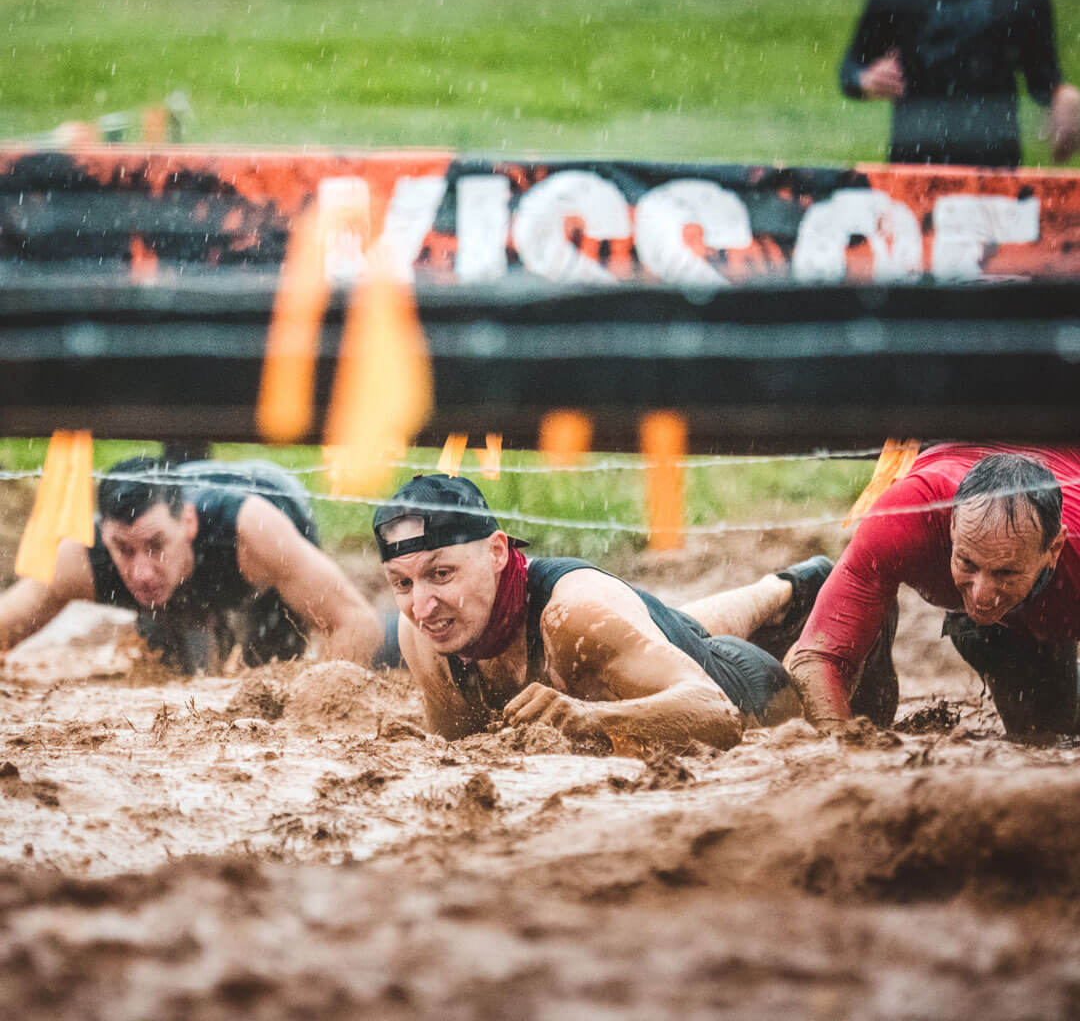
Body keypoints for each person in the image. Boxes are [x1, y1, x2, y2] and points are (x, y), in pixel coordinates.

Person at [374, 473, 833, 749]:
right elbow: (459, 755)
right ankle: (784, 589)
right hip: (657, 638)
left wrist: (589, 719)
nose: (421, 607)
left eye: (441, 574)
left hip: (746, 688)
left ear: (497, 553)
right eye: (402, 582)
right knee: (666, 628)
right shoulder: (425, 635)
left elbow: (716, 712)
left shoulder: (576, 614)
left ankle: (814, 589)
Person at [789, 446, 1080, 735]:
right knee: (863, 710)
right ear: (952, 525)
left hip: (1059, 599)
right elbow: (819, 657)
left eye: (1006, 572)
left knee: (1052, 733)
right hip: (984, 613)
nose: (981, 596)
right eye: (967, 562)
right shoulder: (905, 516)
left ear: (1053, 549)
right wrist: (835, 752)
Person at [0, 457, 385, 673]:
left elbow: (357, 625)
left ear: (187, 524)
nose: (141, 573)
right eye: (124, 550)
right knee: (166, 672)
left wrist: (320, 706)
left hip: (268, 496)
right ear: (105, 539)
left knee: (267, 673)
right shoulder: (82, 555)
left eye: (155, 546)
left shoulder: (255, 533)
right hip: (179, 497)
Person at [839, 0, 1080, 166]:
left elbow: (1043, 78)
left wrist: (1064, 97)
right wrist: (866, 80)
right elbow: (850, 71)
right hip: (914, 165)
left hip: (996, 169)